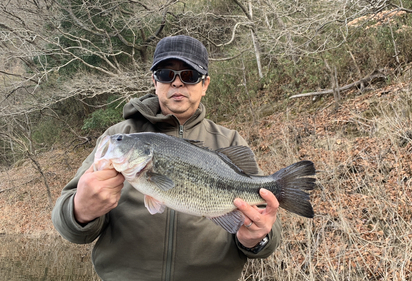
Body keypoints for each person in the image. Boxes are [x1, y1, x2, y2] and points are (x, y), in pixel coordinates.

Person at [52, 35, 282, 281]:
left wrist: (257, 239)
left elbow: (267, 229)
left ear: (205, 84)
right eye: (165, 74)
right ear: (154, 81)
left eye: (189, 75)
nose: (177, 83)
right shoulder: (119, 137)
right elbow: (67, 225)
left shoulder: (230, 143)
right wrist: (80, 211)